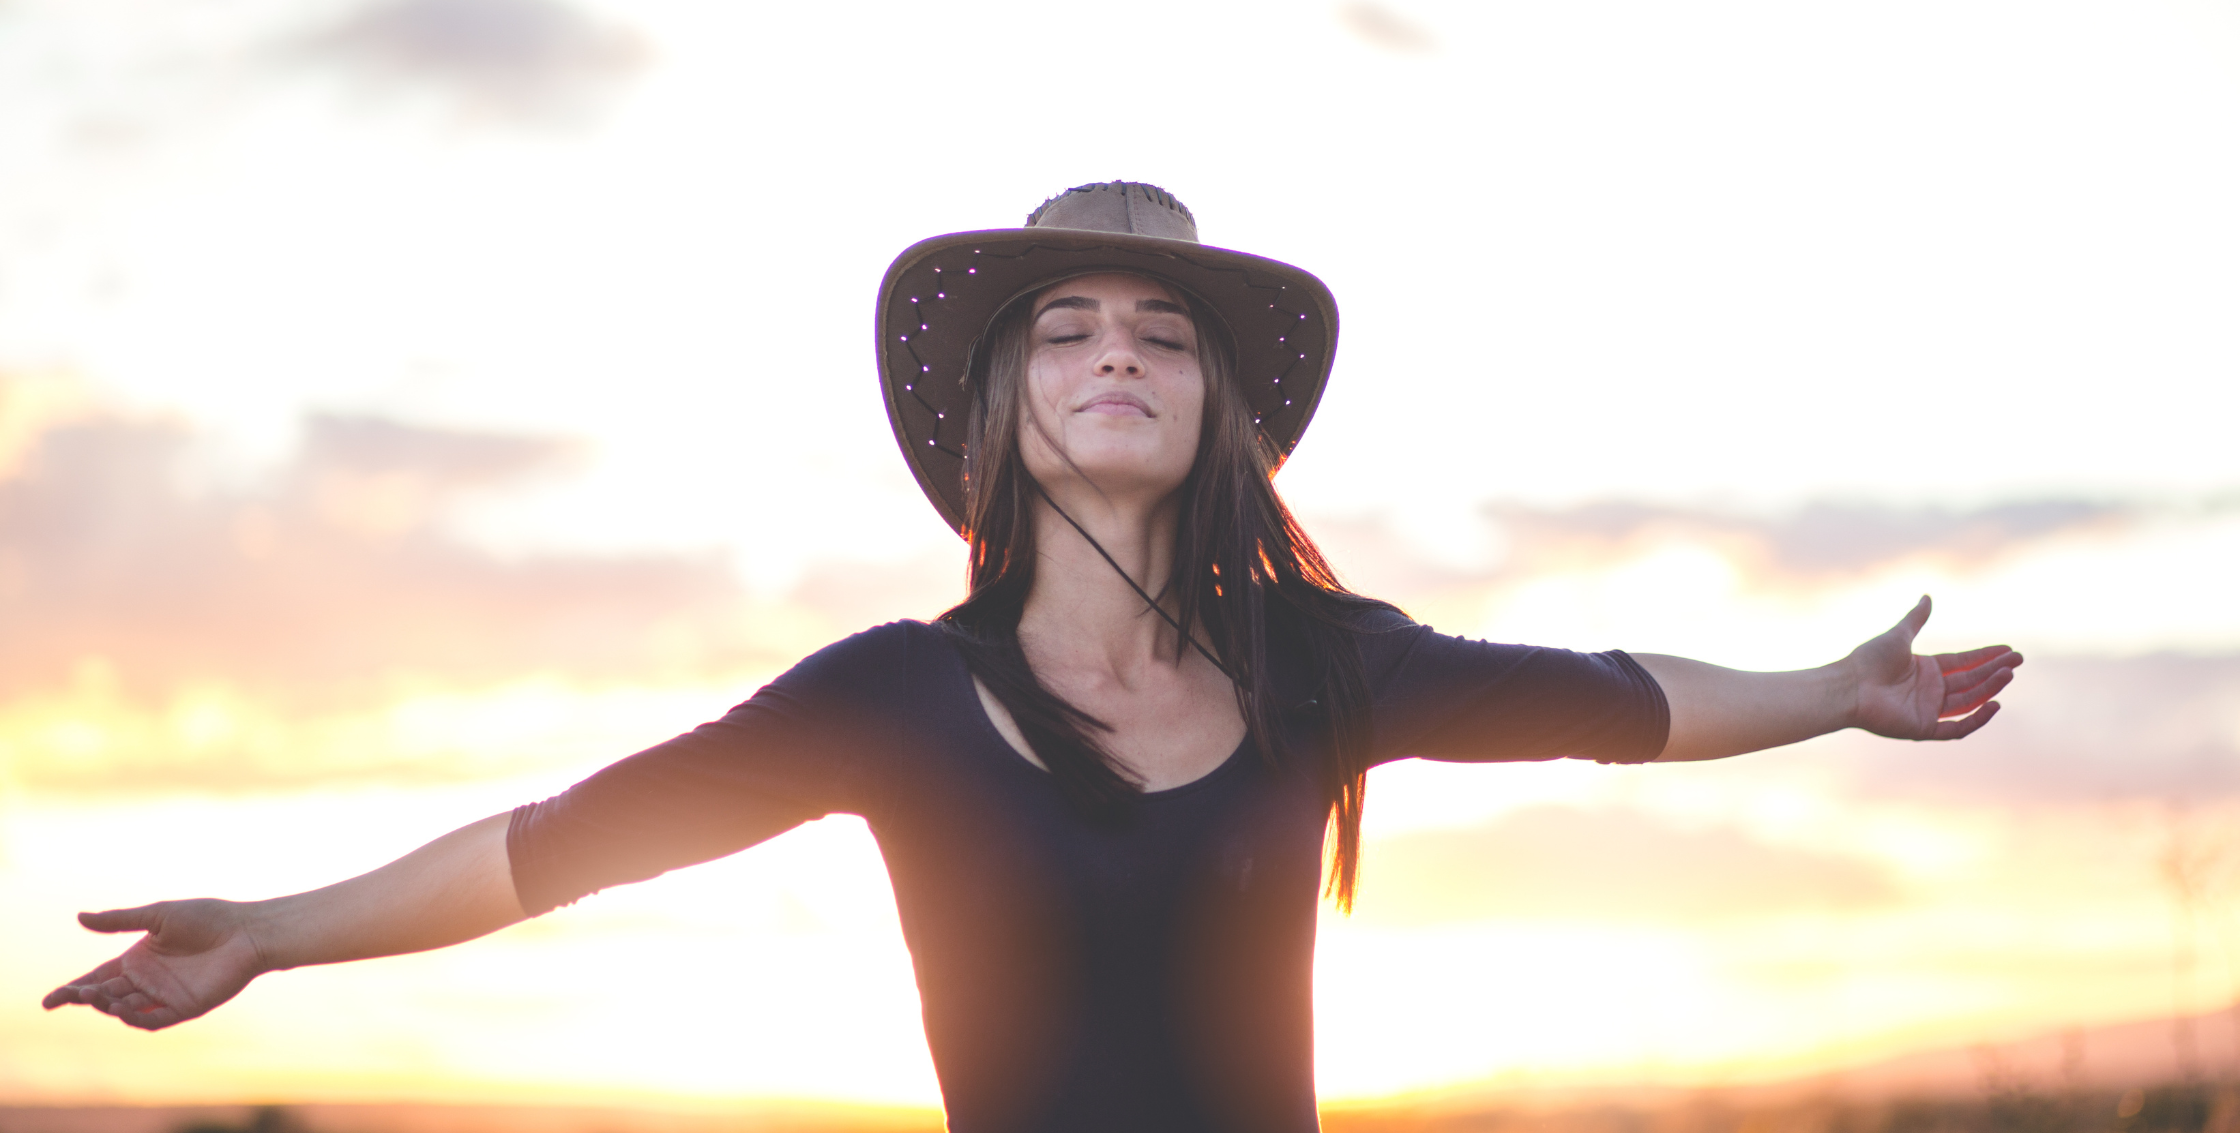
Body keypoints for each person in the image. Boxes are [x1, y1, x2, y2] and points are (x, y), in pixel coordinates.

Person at [45, 182, 2021, 1132]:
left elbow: (1614, 703)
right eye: (1068, 328)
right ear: (1002, 406)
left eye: (1163, 337)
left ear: (1215, 412)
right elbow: (563, 843)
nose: (1116, 359)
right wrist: (271, 930)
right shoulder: (886, 702)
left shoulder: (1331, 668)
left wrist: (1834, 693)